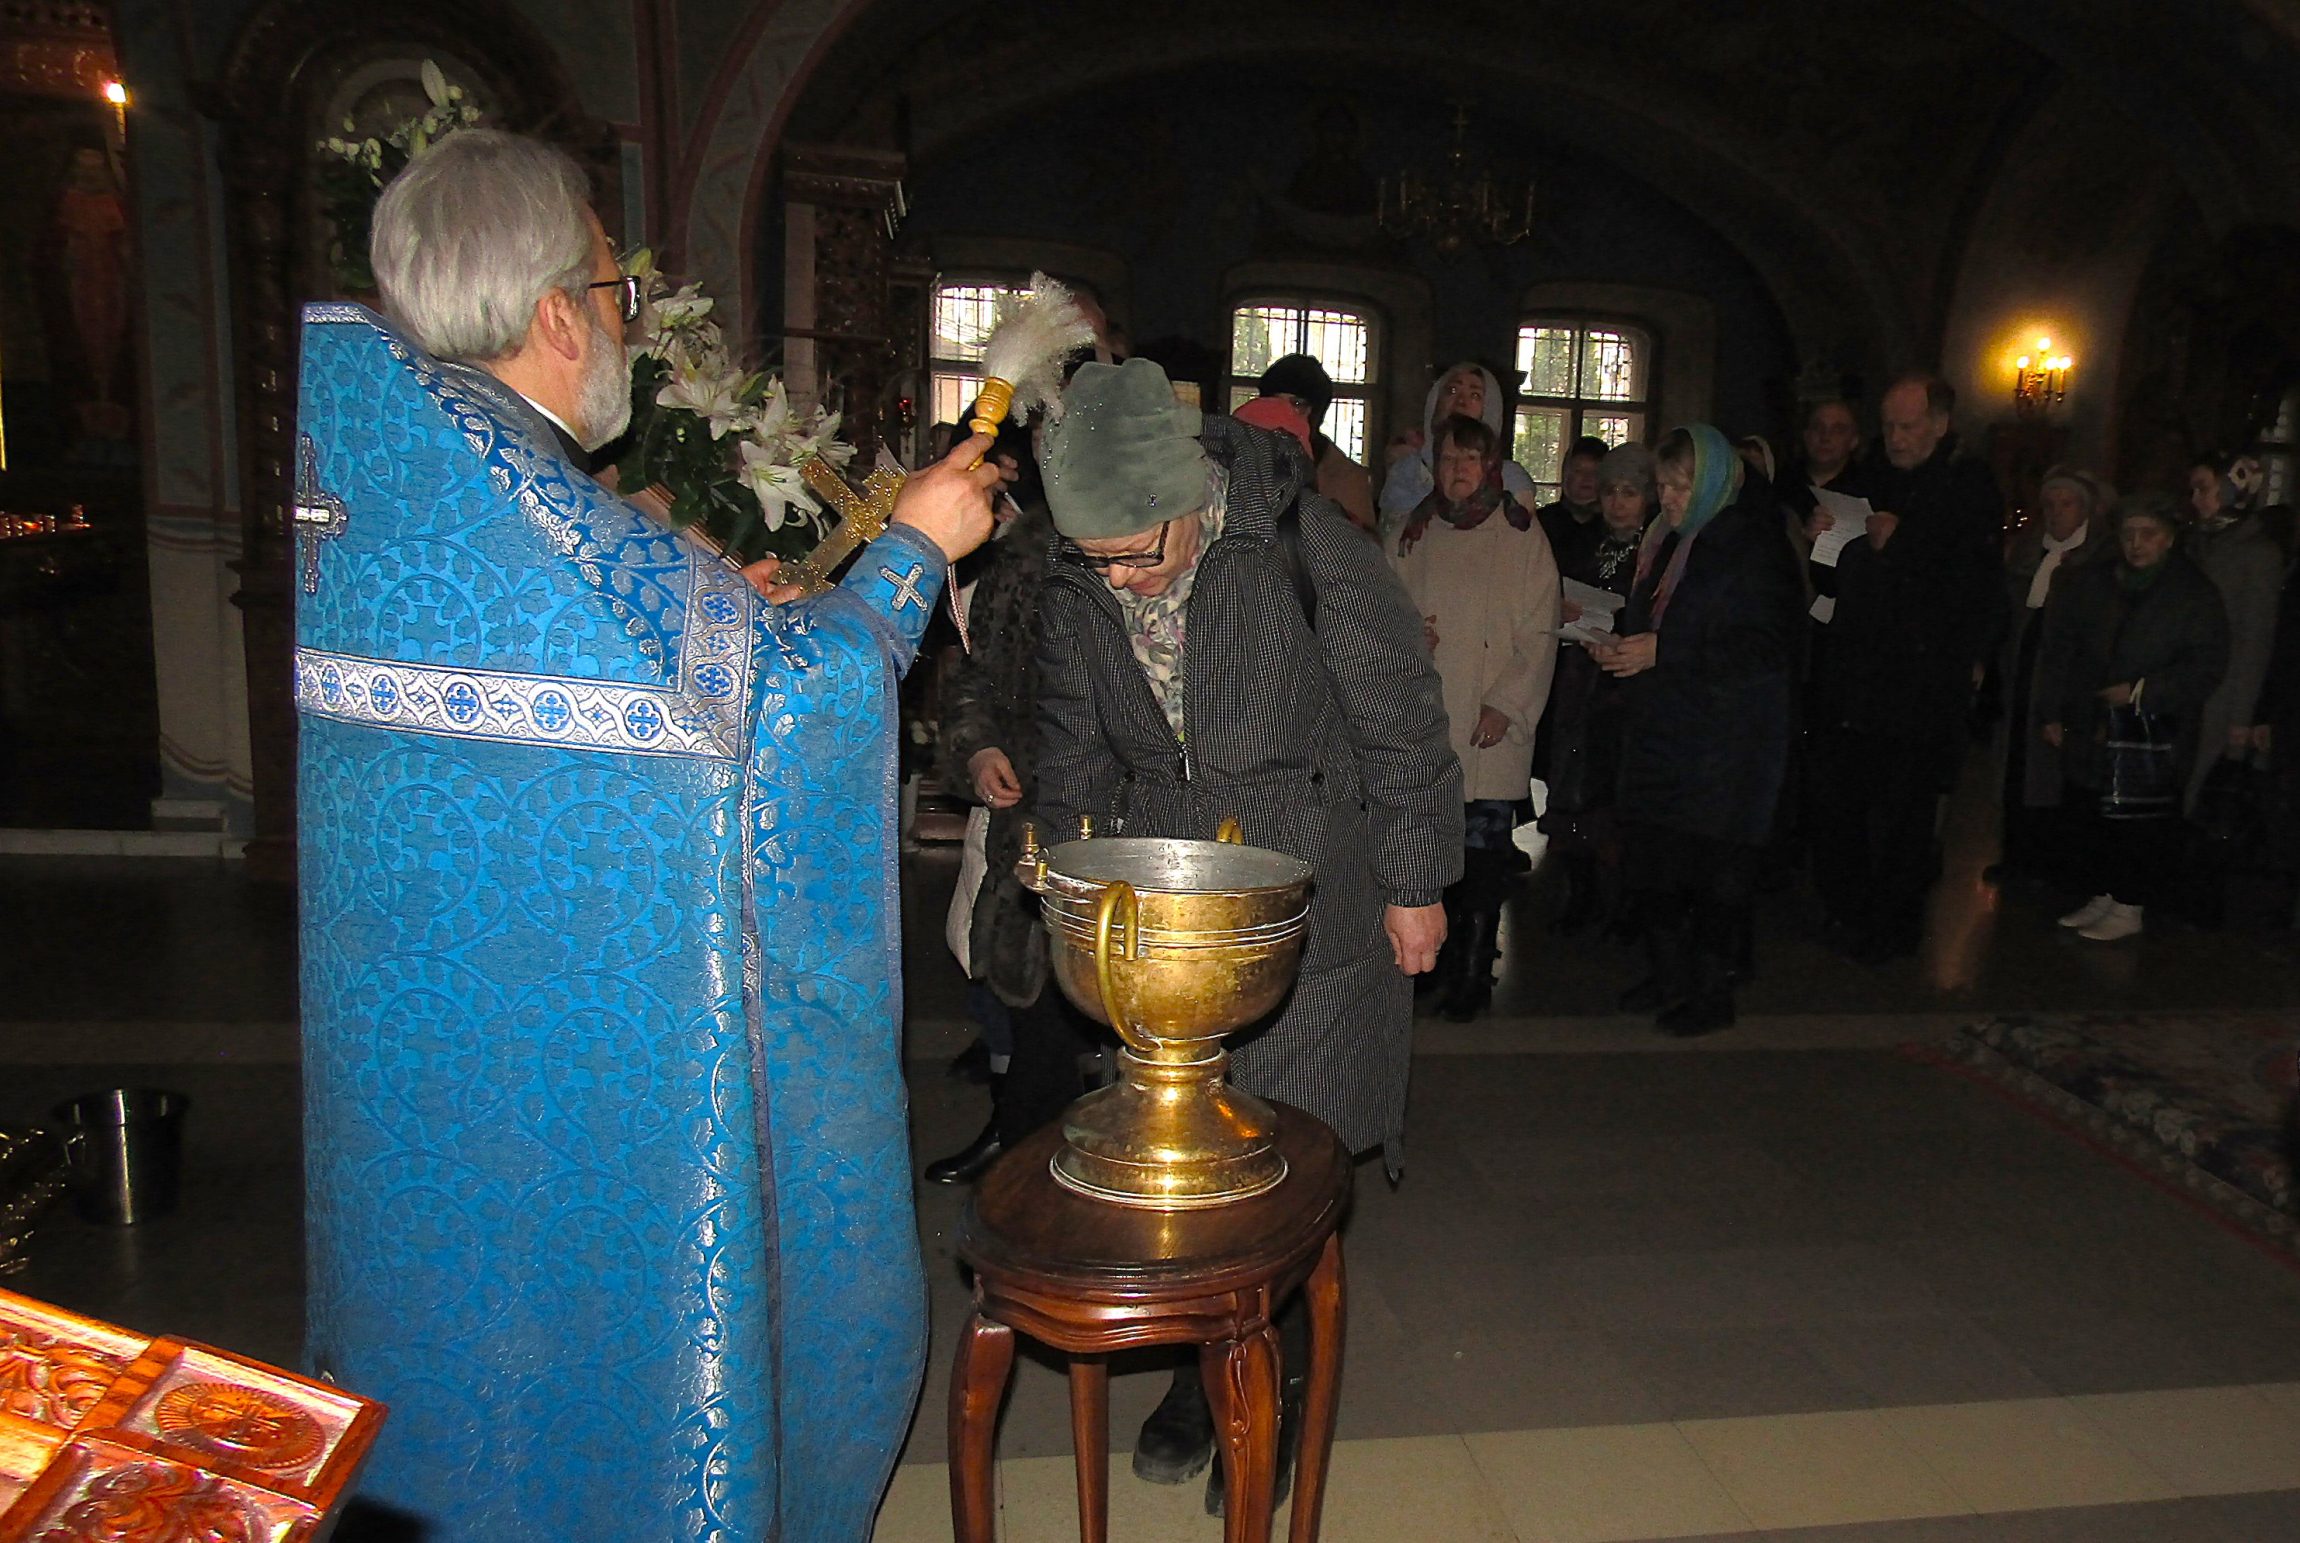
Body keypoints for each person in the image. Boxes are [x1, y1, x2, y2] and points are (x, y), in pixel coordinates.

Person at [305, 128, 1002, 1542]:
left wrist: (718, 610)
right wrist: (914, 551)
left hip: (438, 1079)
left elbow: (649, 668)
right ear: (558, 314)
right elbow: (786, 715)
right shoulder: (550, 517)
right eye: (615, 290)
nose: (624, 320)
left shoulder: (391, 486)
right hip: (603, 1091)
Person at [1032, 357, 1459, 1513]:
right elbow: (1071, 745)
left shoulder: (1306, 549)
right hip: (1166, 909)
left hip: (1306, 892)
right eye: (1095, 560)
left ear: (1187, 497)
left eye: (1137, 553)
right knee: (1183, 1171)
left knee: (1283, 1171)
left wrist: (1414, 880)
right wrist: (1068, 879)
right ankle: (1195, 1378)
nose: (1120, 580)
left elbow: (1400, 723)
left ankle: (1271, 1399)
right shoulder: (1081, 579)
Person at [1591, 425, 1802, 1036]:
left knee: (1711, 876)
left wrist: (1663, 651)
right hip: (1665, 731)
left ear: (1713, 481)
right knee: (1656, 867)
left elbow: (1765, 648)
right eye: (1663, 485)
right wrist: (1619, 645)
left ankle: (1710, 994)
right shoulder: (1667, 539)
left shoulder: (1751, 545)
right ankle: (1668, 975)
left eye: (1682, 486)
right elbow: (1656, 624)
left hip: (1725, 744)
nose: (1669, 498)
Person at [1805, 373, 2005, 964]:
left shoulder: (1968, 487)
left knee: (1903, 816)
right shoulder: (1872, 477)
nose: (1894, 437)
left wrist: (1902, 545)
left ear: (1940, 425)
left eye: (1907, 426)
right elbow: (1836, 579)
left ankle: (1891, 928)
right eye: (1888, 425)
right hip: (1856, 678)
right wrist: (1824, 541)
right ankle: (1848, 910)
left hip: (1919, 688)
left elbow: (1969, 589)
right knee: (1843, 804)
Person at [1391, 413, 1560, 1019]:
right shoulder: (1414, 531)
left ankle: (1473, 971)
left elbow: (1540, 631)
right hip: (1428, 716)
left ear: (1490, 466)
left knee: (1484, 858)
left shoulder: (1520, 534)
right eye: (1447, 459)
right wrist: (1410, 637)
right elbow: (1381, 611)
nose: (1457, 470)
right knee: (1428, 850)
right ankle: (1429, 967)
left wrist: (1506, 704)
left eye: (1469, 459)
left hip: (1490, 720)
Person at [2038, 494, 2230, 941]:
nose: (2136, 543)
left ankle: (2130, 903)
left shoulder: (2193, 592)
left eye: (2148, 534)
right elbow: (2065, 646)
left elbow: (2207, 663)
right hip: (2096, 719)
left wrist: (2144, 690)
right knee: (2097, 812)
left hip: (2152, 727)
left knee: (2139, 819)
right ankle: (2104, 893)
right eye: (2129, 534)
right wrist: (2054, 709)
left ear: (2169, 539)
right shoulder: (2099, 581)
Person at [1538, 442, 1655, 936]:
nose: (1617, 503)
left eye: (1629, 492)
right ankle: (1579, 893)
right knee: (1574, 791)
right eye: (1610, 492)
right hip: (1580, 681)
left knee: (1615, 798)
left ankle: (1621, 904)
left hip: (1626, 688)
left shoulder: (1656, 551)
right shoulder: (1588, 542)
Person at [1995, 465, 2116, 881]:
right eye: (2049, 504)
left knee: (2057, 773)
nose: (2057, 512)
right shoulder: (2030, 553)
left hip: (2068, 683)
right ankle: (2017, 855)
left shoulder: (2099, 563)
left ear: (2085, 511)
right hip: (2024, 675)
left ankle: (2055, 865)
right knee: (2018, 765)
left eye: (2066, 504)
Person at [2183, 450, 2285, 815]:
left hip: (2221, 697)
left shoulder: (2258, 554)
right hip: (2186, 687)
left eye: (2204, 489)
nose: (2196, 499)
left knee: (2201, 795)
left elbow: (2255, 639)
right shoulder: (2197, 543)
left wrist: (2241, 717)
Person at [1377, 360, 1537, 545]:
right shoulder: (1407, 471)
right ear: (1435, 401)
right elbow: (1391, 543)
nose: (1461, 402)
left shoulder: (1510, 477)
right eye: (1452, 391)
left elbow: (1521, 545)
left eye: (1475, 395)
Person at [1256, 352, 1377, 529]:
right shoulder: (1243, 460)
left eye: (1297, 404)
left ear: (1316, 412)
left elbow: (1363, 543)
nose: (1283, 413)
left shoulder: (1347, 479)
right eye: (1274, 402)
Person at [1537, 434, 1612, 576]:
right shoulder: (1540, 523)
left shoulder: (1614, 528)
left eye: (1595, 472)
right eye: (1579, 471)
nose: (1587, 478)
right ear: (1566, 474)